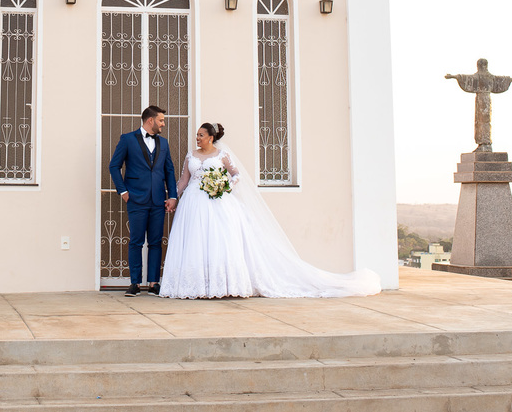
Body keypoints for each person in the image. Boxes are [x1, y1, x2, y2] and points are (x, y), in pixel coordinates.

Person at [159, 122, 381, 299]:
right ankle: (195, 285)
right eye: (197, 135)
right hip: (193, 204)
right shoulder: (191, 156)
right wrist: (173, 198)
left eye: (200, 135)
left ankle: (221, 284)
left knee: (220, 242)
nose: (197, 138)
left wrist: (224, 186)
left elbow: (236, 175)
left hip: (218, 202)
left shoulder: (222, 155)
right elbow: (183, 181)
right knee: (195, 242)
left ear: (210, 137)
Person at [109, 105, 179, 296]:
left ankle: (154, 283)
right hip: (136, 198)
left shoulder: (163, 143)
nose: (163, 124)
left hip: (158, 199)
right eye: (161, 120)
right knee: (136, 241)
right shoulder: (128, 139)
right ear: (150, 120)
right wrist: (122, 190)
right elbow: (114, 166)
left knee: (156, 242)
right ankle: (135, 283)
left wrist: (172, 196)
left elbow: (169, 171)